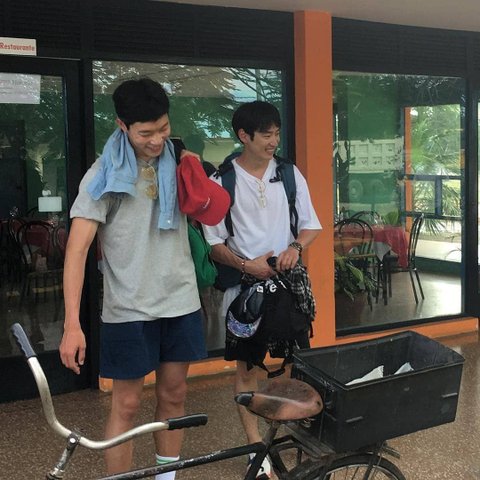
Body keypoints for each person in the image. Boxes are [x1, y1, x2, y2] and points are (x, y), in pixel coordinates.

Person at [59, 77, 208, 480]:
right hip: (128, 308)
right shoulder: (102, 176)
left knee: (174, 396)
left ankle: (166, 478)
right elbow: (77, 250)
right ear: (122, 125)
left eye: (163, 128)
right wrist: (72, 324)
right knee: (125, 406)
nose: (157, 140)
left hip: (180, 300)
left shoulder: (180, 160)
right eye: (146, 133)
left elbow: (209, 208)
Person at [203, 101, 321, 479]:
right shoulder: (221, 182)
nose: (274, 141)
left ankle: (280, 436)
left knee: (288, 366)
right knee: (247, 369)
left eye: (276, 134)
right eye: (266, 134)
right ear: (244, 135)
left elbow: (311, 225)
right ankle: (257, 448)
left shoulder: (288, 173)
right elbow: (213, 243)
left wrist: (295, 247)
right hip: (246, 289)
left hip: (286, 285)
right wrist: (245, 265)